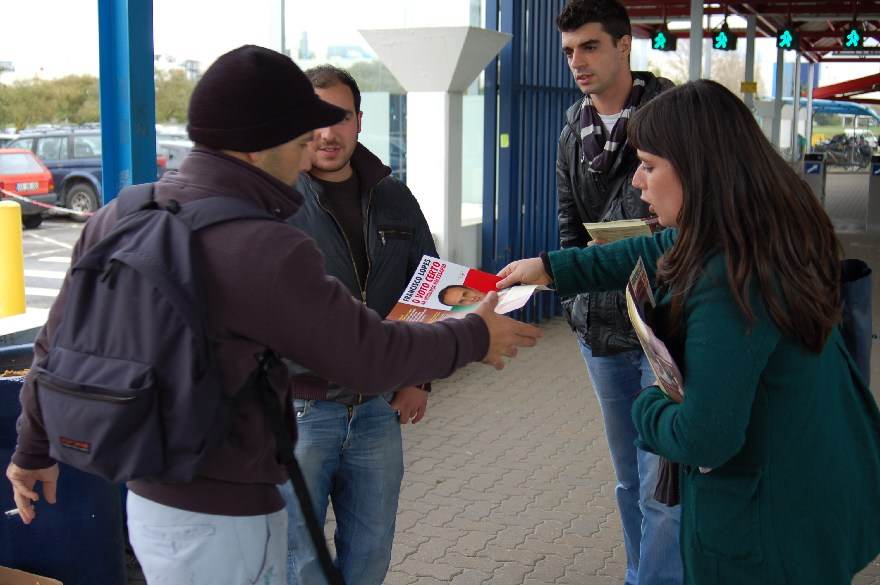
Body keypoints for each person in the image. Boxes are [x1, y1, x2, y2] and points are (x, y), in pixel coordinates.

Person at [6, 45, 542, 585]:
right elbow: (367, 356)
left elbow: (53, 348)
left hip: (149, 503)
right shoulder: (261, 245)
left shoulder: (122, 212)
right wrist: (474, 334)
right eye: (302, 136)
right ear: (264, 143)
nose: (312, 149)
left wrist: (31, 451)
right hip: (225, 518)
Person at [497, 79, 880, 585]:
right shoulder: (766, 227)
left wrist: (648, 403)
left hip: (763, 534)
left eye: (650, 165)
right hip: (817, 492)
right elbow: (653, 251)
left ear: (701, 170)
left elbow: (705, 438)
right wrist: (548, 267)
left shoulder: (731, 275)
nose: (637, 182)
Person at [280, 65, 436, 585]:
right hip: (300, 411)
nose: (327, 133)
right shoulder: (274, 201)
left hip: (376, 410)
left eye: (339, 117)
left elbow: (430, 287)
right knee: (300, 561)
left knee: (370, 554)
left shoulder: (395, 198)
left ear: (359, 121)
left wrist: (418, 377)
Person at [553, 1, 679, 583]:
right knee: (630, 476)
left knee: (664, 480)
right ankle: (638, 572)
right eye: (570, 51)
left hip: (665, 325)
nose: (577, 62)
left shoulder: (673, 117)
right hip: (601, 331)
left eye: (590, 47)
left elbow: (698, 220)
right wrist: (576, 303)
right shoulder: (570, 135)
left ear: (625, 45)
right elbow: (569, 231)